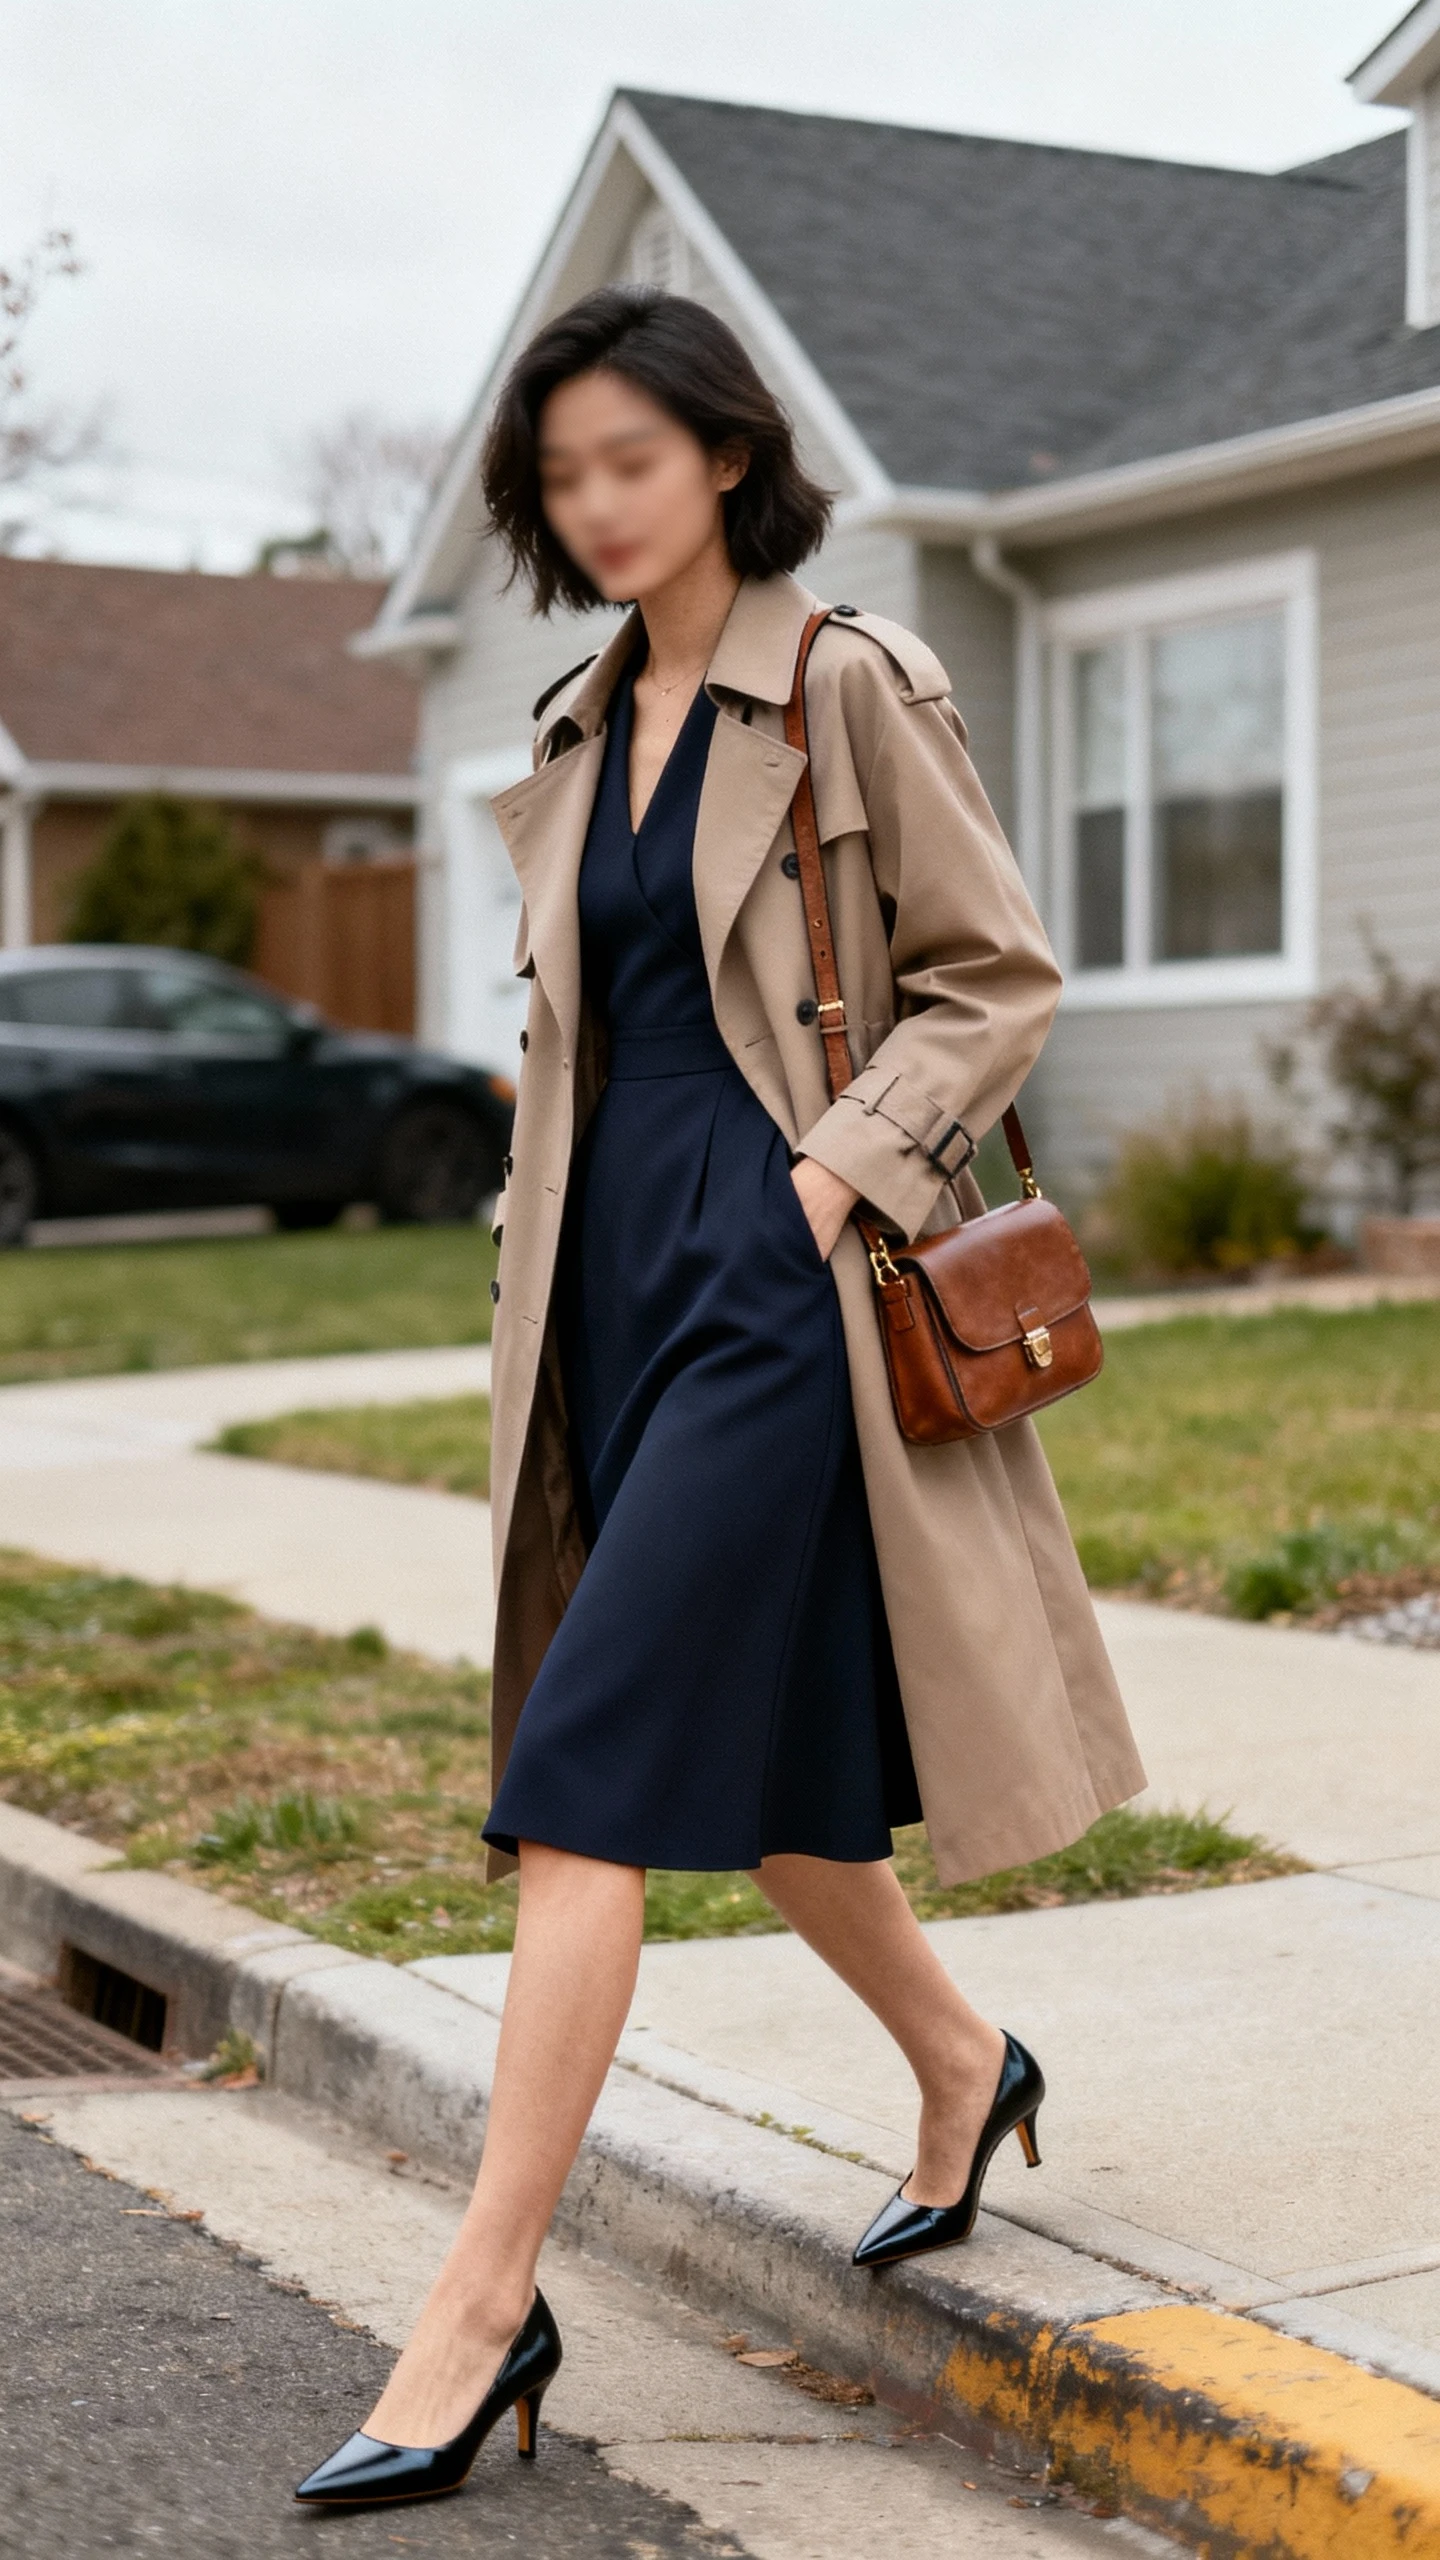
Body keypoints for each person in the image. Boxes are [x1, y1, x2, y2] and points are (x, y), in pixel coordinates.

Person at [295, 286, 1145, 2511]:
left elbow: (995, 977)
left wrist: (825, 1185)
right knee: (755, 1775)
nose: (596, 502)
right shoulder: (579, 720)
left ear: (726, 456)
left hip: (779, 1280)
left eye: (632, 459)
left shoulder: (848, 679)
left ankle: (481, 2303)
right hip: (606, 1278)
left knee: (585, 1778)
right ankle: (965, 2059)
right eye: (561, 474)